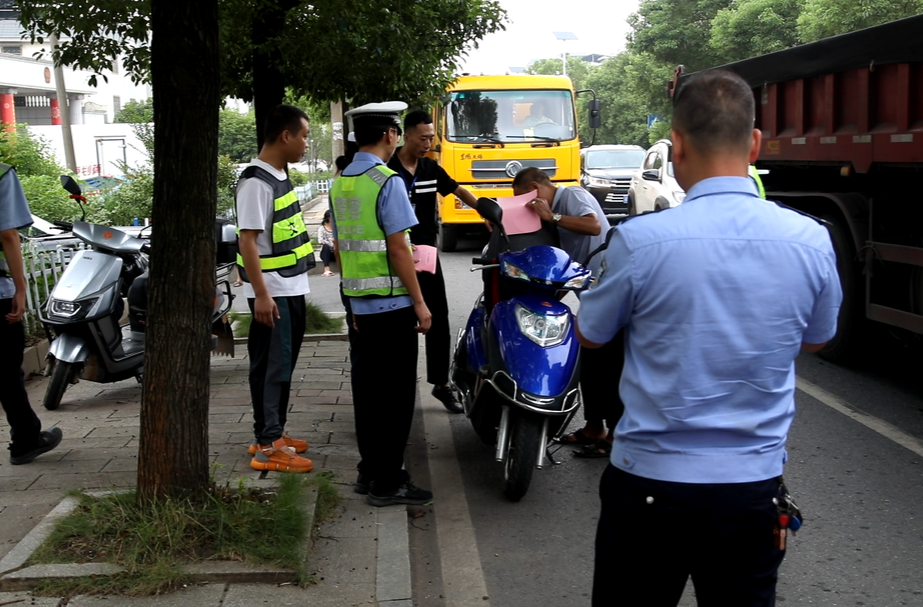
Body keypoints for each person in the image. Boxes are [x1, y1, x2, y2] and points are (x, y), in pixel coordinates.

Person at [577, 70, 842, 606]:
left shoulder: (640, 241)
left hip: (648, 484)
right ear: (755, 143)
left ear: (675, 147)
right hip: (751, 490)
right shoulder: (812, 241)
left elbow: (590, 334)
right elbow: (817, 340)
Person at [330, 101, 434, 507]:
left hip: (360, 304)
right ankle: (389, 482)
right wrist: (421, 304)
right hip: (392, 305)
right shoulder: (386, 181)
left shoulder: (341, 182)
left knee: (368, 391)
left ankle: (369, 470)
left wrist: (352, 303)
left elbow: (340, 248)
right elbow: (398, 248)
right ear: (391, 135)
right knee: (394, 395)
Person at [511, 167, 618, 457]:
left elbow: (593, 226)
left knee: (609, 364)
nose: (528, 207)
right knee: (589, 361)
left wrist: (552, 217)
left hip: (610, 291)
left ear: (535, 187)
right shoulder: (555, 212)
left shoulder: (570, 195)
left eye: (526, 199)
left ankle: (615, 437)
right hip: (592, 293)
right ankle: (594, 428)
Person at [236, 104, 315, 473]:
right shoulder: (256, 182)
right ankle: (268, 446)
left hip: (289, 287)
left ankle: (271, 434)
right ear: (285, 136)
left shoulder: (277, 175)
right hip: (274, 292)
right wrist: (262, 295)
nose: (305, 143)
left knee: (279, 366)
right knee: (273, 368)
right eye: (303, 136)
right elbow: (247, 242)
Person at [387, 110, 478, 414]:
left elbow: (457, 189)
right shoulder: (387, 170)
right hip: (394, 255)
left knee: (437, 318)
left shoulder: (430, 168)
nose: (428, 143)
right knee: (403, 319)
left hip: (426, 255)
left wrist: (486, 211)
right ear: (406, 135)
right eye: (423, 137)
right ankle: (399, 388)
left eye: (431, 138)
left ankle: (441, 384)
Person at [0, 162, 63, 465]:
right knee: (6, 371)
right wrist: (20, 289)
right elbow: (8, 235)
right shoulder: (1, 173)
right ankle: (25, 439)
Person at [318, 210, 336, 277]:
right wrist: (332, 244)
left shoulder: (337, 228)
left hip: (336, 252)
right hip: (327, 252)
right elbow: (320, 240)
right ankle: (326, 269)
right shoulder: (322, 229)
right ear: (329, 219)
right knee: (325, 247)